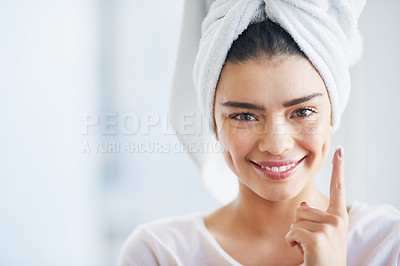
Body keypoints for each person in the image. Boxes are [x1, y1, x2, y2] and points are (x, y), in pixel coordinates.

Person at [119, 1, 400, 265]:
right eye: (244, 116)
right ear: (214, 122)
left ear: (332, 112)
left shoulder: (387, 244)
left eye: (302, 112)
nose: (276, 145)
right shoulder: (160, 253)